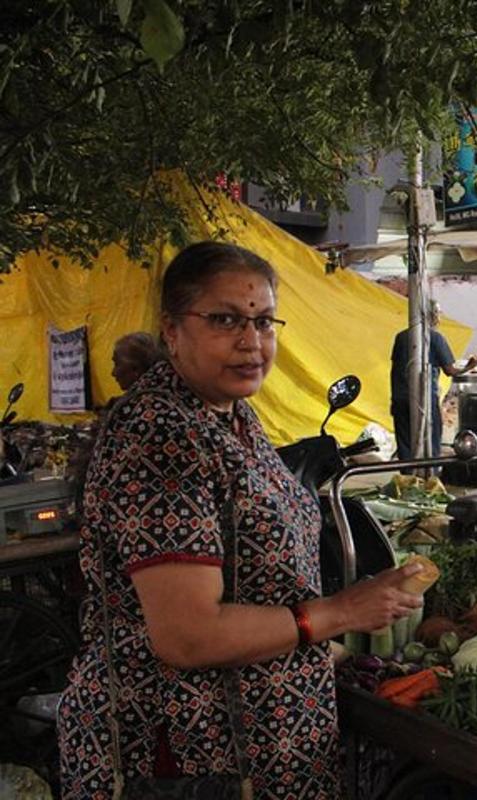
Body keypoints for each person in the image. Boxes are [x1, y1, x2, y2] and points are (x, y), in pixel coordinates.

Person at [58, 242, 428, 799]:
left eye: (262, 321)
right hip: (185, 756)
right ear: (173, 331)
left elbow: (259, 576)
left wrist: (324, 649)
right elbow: (187, 635)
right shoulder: (161, 434)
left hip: (262, 747)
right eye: (225, 319)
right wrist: (339, 613)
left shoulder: (231, 414)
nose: (251, 342)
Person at [390, 300, 477, 459]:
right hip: (424, 400)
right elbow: (450, 371)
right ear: (430, 315)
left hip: (400, 399)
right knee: (431, 441)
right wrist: (470, 365)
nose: (440, 317)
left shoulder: (401, 337)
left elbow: (394, 370)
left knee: (405, 443)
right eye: (438, 313)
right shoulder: (435, 338)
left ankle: (407, 479)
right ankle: (429, 475)